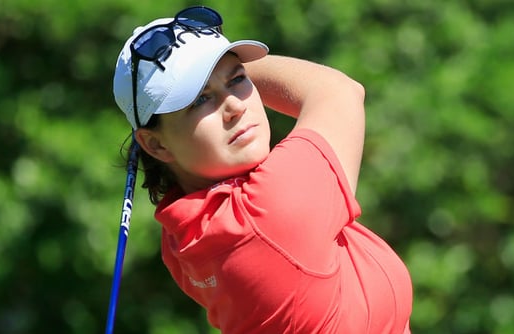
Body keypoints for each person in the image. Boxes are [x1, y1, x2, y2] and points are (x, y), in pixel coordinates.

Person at [112, 5, 413, 333]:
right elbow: (338, 90)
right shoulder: (268, 209)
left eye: (237, 80)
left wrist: (209, 67)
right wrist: (230, 67)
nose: (235, 106)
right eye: (200, 100)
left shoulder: (179, 238)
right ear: (156, 145)